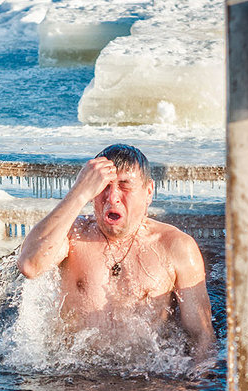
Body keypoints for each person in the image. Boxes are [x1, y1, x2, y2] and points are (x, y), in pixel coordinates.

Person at [17, 144, 215, 365]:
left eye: (124, 186)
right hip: (73, 376)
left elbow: (201, 336)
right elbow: (30, 265)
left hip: (147, 379)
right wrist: (78, 193)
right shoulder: (72, 236)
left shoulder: (176, 247)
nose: (112, 198)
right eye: (103, 187)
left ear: (149, 192)